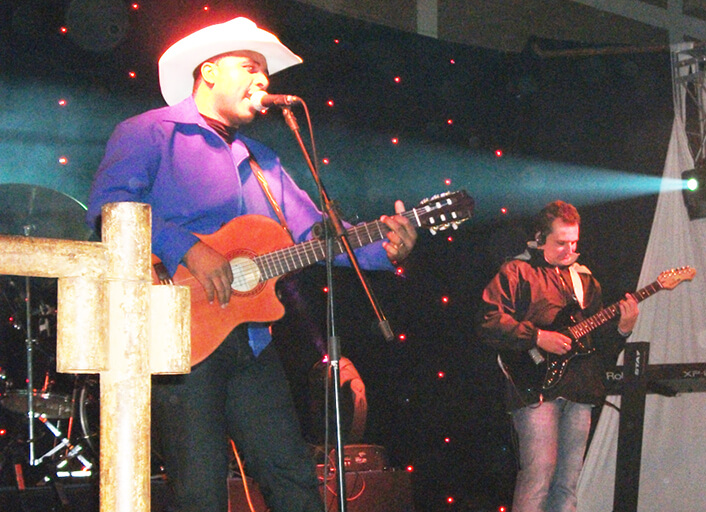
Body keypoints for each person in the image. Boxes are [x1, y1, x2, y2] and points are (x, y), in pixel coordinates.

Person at [86, 17, 417, 512]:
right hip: (178, 335)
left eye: (266, 72)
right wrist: (187, 248)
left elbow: (316, 232)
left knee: (294, 480)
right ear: (209, 71)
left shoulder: (264, 161)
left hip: (252, 342)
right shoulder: (148, 132)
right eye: (250, 67)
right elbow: (109, 210)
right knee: (199, 491)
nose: (264, 80)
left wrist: (385, 247)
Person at [478, 200, 639, 512]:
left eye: (574, 242)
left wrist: (622, 330)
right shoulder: (517, 272)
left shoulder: (585, 280)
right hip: (535, 388)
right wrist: (538, 337)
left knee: (567, 484)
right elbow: (489, 321)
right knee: (539, 477)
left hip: (580, 389)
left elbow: (597, 346)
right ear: (540, 238)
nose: (570, 250)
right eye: (561, 243)